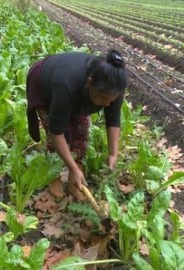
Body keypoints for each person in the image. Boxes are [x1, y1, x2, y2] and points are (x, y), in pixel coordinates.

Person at [26, 49, 127, 195]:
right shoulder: (66, 84)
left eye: (109, 101)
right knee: (53, 133)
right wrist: (70, 168)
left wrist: (113, 154)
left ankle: (76, 176)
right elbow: (56, 133)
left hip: (75, 88)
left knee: (81, 132)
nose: (105, 105)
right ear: (90, 83)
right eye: (102, 99)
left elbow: (113, 119)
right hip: (44, 84)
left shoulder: (115, 85)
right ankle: (54, 175)